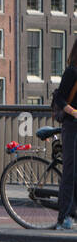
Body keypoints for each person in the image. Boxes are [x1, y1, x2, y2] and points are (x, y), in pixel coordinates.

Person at [54, 38, 77, 229]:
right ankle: (64, 218)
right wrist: (74, 112)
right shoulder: (72, 72)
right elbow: (59, 98)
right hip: (72, 127)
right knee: (70, 171)